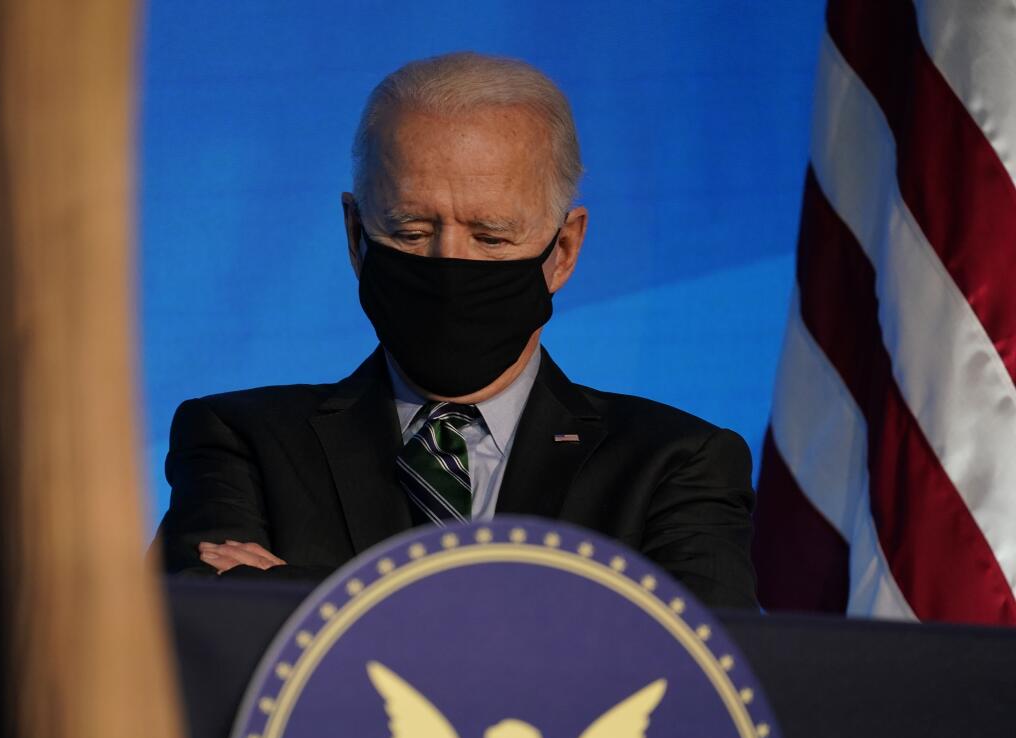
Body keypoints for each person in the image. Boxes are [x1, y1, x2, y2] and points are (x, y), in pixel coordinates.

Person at [153, 52, 757, 608]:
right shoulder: (240, 442)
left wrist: (318, 594)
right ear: (355, 236)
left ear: (564, 250)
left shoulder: (674, 465)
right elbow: (215, 635)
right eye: (411, 231)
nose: (448, 264)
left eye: (491, 237)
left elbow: (699, 675)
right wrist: (571, 619)